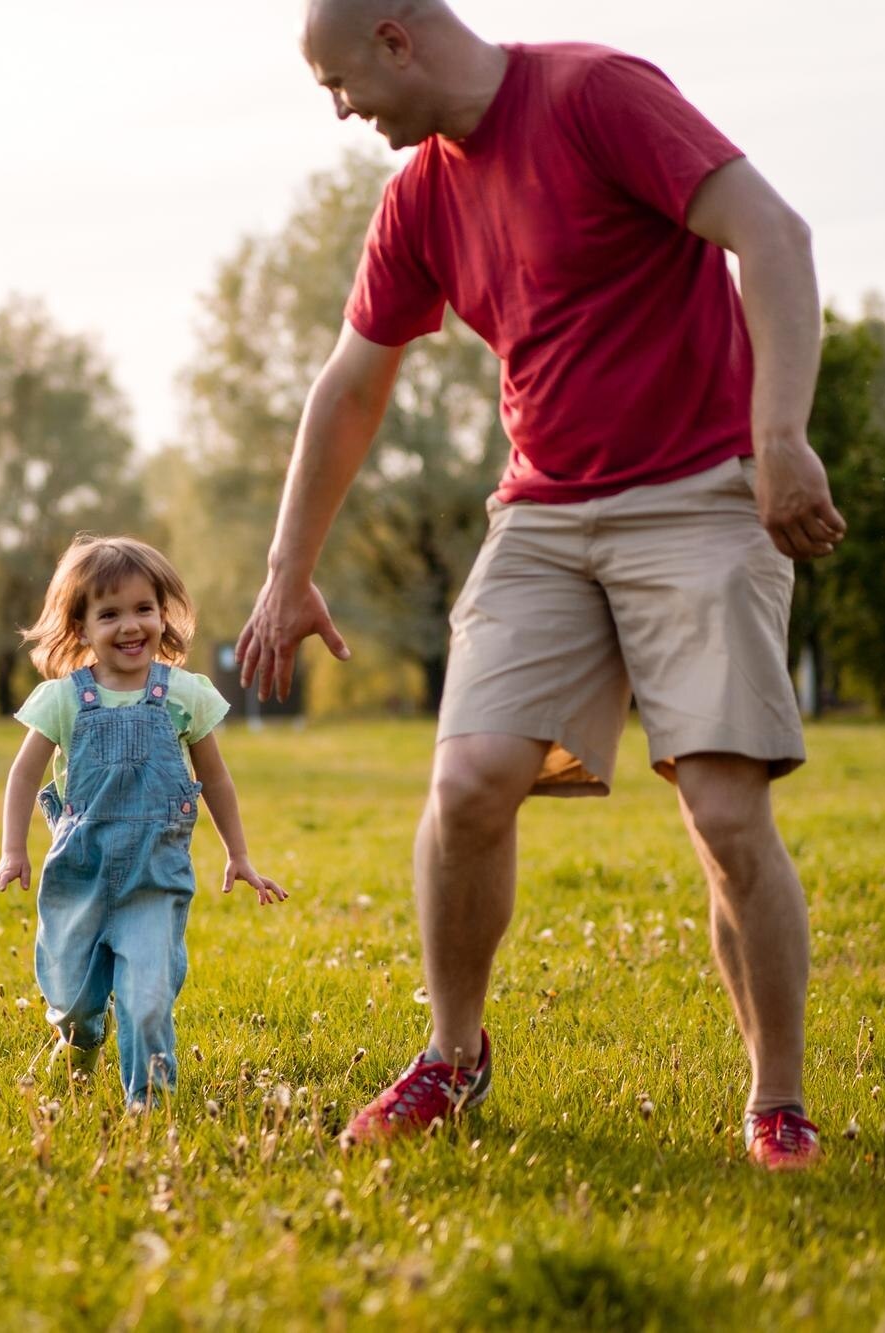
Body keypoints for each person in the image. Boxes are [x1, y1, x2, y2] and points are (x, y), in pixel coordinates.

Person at [235, 0, 846, 1170]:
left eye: (337, 82)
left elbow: (772, 235)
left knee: (723, 813)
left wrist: (779, 438)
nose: (339, 110)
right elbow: (349, 384)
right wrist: (286, 571)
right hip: (543, 513)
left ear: (394, 40)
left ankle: (776, 1101)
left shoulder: (594, 95)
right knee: (466, 784)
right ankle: (451, 1059)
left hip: (697, 494)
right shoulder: (418, 197)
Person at [0, 535, 288, 1106]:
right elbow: (23, 776)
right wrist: (11, 851)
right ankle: (83, 1037)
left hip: (155, 879)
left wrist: (239, 854)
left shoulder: (185, 696)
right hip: (80, 876)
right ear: (81, 628)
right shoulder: (63, 700)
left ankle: (149, 1106)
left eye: (143, 608)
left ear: (163, 613)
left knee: (148, 1000)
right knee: (73, 1001)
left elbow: (216, 780)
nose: (130, 625)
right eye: (110, 613)